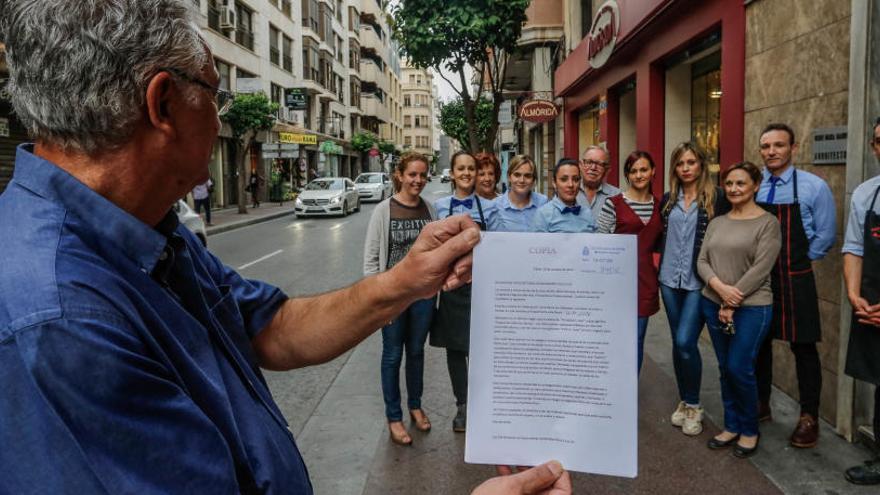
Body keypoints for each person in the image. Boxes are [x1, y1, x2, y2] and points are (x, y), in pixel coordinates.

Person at [0, 3, 569, 493]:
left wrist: (406, 280)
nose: (220, 115)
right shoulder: (58, 321)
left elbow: (270, 326)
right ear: (163, 104)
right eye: (214, 94)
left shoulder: (149, 227)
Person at [754, 123, 836, 448]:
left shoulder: (814, 187)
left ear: (793, 148)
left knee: (804, 348)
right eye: (766, 146)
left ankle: (809, 416)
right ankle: (761, 403)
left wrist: (798, 262)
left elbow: (826, 235)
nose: (771, 151)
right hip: (760, 277)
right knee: (759, 344)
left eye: (778, 145)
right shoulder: (755, 187)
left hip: (796, 278)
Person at [698, 161, 781, 459]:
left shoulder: (768, 223)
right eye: (729, 183)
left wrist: (732, 300)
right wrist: (720, 290)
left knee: (739, 367)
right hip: (713, 302)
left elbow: (762, 268)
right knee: (724, 368)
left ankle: (749, 429)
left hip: (752, 308)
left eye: (741, 183)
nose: (733, 189)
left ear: (756, 186)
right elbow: (702, 261)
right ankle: (731, 424)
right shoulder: (718, 221)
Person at [363, 152, 437, 446]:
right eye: (412, 175)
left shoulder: (430, 209)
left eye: (422, 175)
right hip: (392, 297)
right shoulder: (384, 210)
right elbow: (371, 260)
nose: (417, 180)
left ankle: (415, 406)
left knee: (416, 352)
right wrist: (378, 299)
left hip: (423, 296)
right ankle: (394, 417)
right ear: (400, 176)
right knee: (393, 355)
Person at [659, 143, 730, 436]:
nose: (686, 168)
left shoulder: (718, 199)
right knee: (678, 343)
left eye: (691, 162)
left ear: (701, 165)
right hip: (668, 280)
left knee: (687, 342)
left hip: (697, 282)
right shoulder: (667, 200)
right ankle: (685, 400)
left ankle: (694, 403)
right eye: (680, 163)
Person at [432, 150, 504, 432]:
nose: (466, 173)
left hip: (481, 288)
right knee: (455, 350)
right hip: (452, 289)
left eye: (471, 169)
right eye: (460, 169)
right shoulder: (439, 207)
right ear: (452, 173)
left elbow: (499, 247)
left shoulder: (491, 208)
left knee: (481, 350)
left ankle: (483, 403)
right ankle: (462, 406)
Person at [597, 151, 663, 372]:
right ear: (627, 175)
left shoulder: (661, 206)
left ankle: (628, 394)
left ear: (653, 171)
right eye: (633, 171)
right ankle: (609, 390)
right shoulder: (612, 204)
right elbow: (601, 243)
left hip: (645, 283)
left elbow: (661, 246)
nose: (638, 175)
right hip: (615, 284)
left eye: (643, 169)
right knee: (613, 339)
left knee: (637, 339)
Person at [842, 119, 880, 486]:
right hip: (872, 307)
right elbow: (854, 247)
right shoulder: (865, 194)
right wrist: (855, 296)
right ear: (873, 147)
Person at [530, 158, 597, 233]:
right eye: (564, 179)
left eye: (575, 179)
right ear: (554, 183)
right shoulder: (543, 214)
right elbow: (538, 244)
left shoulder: (587, 213)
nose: (571, 185)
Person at [495, 154, 548, 232]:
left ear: (533, 179)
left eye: (527, 176)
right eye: (517, 175)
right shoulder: (496, 206)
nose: (522, 180)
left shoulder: (543, 202)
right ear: (509, 177)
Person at [577, 145, 621, 218]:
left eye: (599, 164)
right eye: (589, 162)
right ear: (581, 165)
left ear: (607, 170)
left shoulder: (616, 196)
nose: (593, 168)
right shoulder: (568, 192)